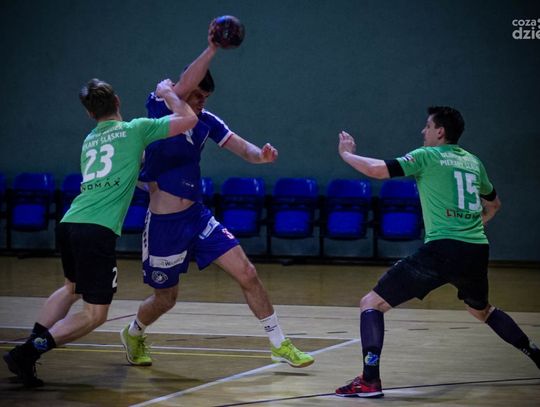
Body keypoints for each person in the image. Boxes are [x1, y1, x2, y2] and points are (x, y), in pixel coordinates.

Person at [120, 25, 314, 369]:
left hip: (197, 217)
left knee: (247, 272)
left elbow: (243, 148)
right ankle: (134, 332)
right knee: (166, 299)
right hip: (164, 224)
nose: (201, 102)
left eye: (205, 98)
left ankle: (279, 343)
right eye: (197, 96)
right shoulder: (160, 105)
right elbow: (183, 84)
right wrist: (212, 49)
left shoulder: (206, 121)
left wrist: (261, 156)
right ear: (183, 91)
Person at [3, 78, 198, 387]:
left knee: (71, 288)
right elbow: (189, 119)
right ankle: (28, 352)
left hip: (70, 221)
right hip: (97, 230)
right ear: (117, 101)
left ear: (89, 113)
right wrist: (167, 93)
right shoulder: (135, 129)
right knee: (95, 315)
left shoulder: (90, 140)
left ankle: (28, 349)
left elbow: (122, 166)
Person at [334, 106, 540, 398]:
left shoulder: (427, 156)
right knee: (482, 311)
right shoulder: (473, 161)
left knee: (371, 303)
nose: (423, 131)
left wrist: (347, 154)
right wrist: (473, 224)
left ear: (440, 132)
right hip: (476, 249)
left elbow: (377, 170)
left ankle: (369, 380)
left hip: (442, 249)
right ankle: (535, 353)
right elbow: (494, 205)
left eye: (428, 126)